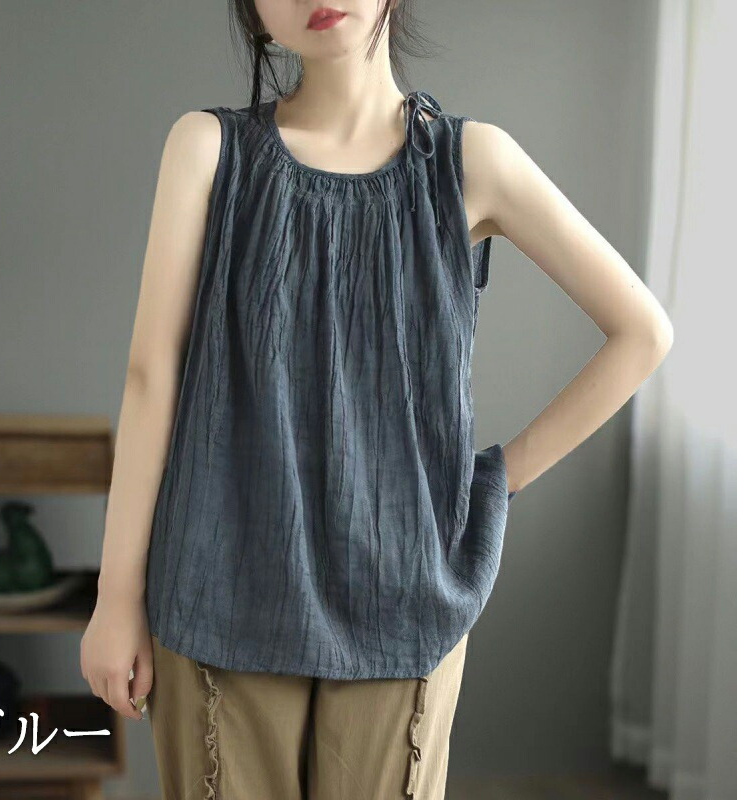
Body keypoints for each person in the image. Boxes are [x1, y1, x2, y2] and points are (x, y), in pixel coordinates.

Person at [80, 1, 673, 797]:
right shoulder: (207, 150)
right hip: (218, 591)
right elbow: (152, 376)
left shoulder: (471, 161)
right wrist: (116, 597)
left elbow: (642, 333)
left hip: (405, 598)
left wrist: (494, 481)